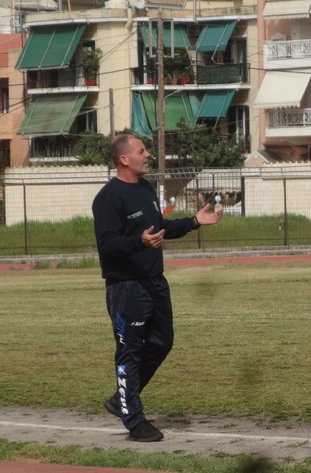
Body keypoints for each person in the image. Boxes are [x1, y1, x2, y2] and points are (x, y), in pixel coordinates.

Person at [92, 134, 223, 442]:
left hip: (155, 282)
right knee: (130, 350)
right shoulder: (109, 197)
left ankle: (121, 398)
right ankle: (134, 420)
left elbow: (159, 229)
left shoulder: (145, 188)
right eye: (142, 150)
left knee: (162, 342)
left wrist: (193, 222)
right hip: (126, 288)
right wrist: (138, 241)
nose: (148, 154)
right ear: (124, 159)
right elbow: (107, 244)